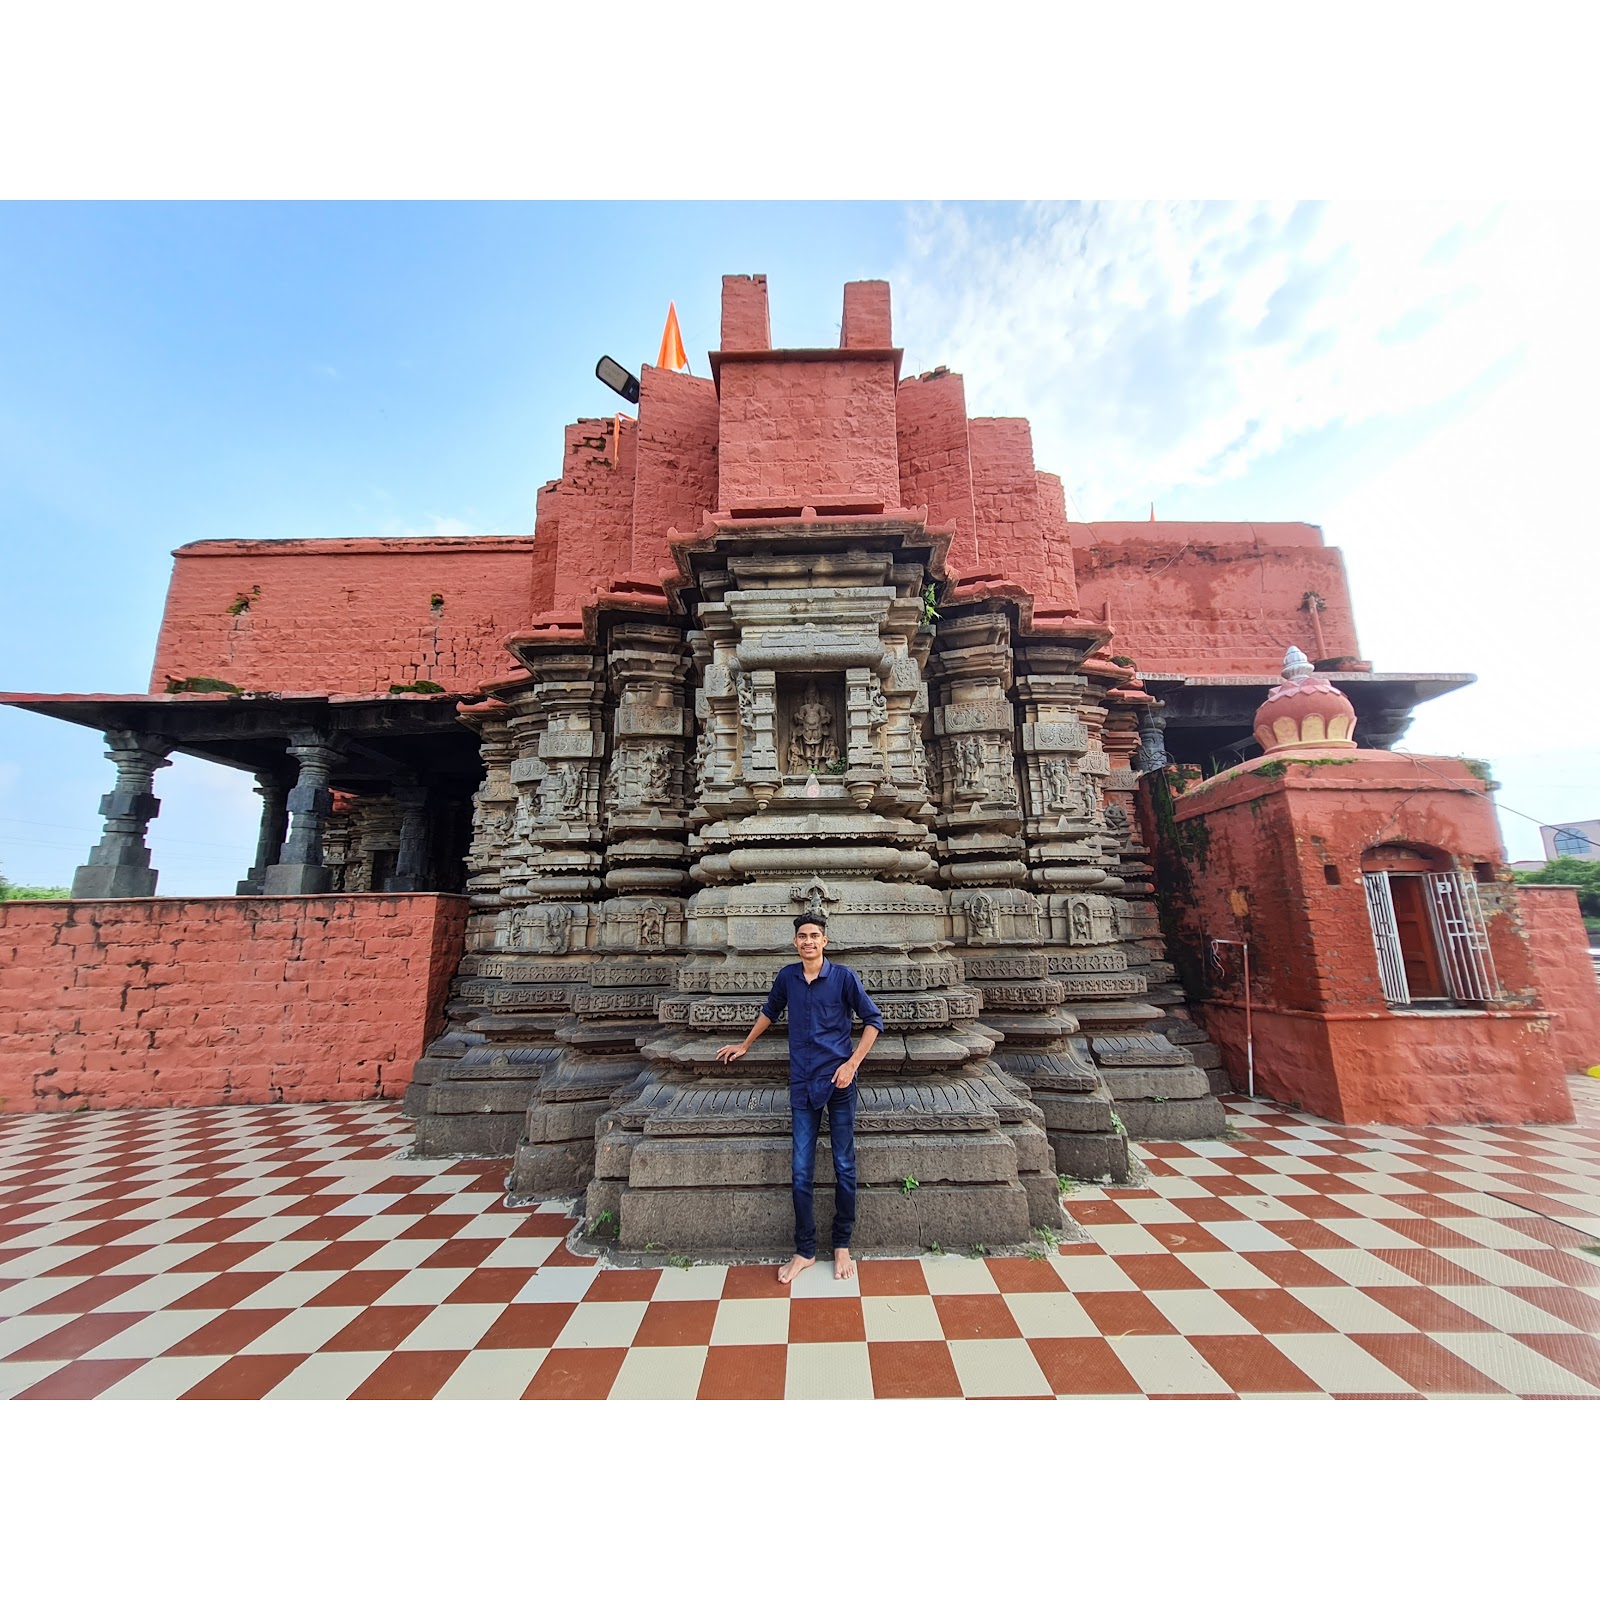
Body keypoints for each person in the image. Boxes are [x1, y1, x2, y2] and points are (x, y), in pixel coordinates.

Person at [717, 913, 883, 1283]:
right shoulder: (788, 977)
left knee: (844, 1165)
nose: (808, 941)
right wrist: (744, 1044)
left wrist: (852, 1064)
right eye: (802, 936)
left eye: (815, 936)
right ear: (795, 943)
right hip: (803, 1084)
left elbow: (873, 1020)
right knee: (801, 1171)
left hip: (839, 1083)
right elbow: (770, 1012)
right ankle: (805, 1251)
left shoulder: (843, 978)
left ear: (825, 941)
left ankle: (842, 1244)